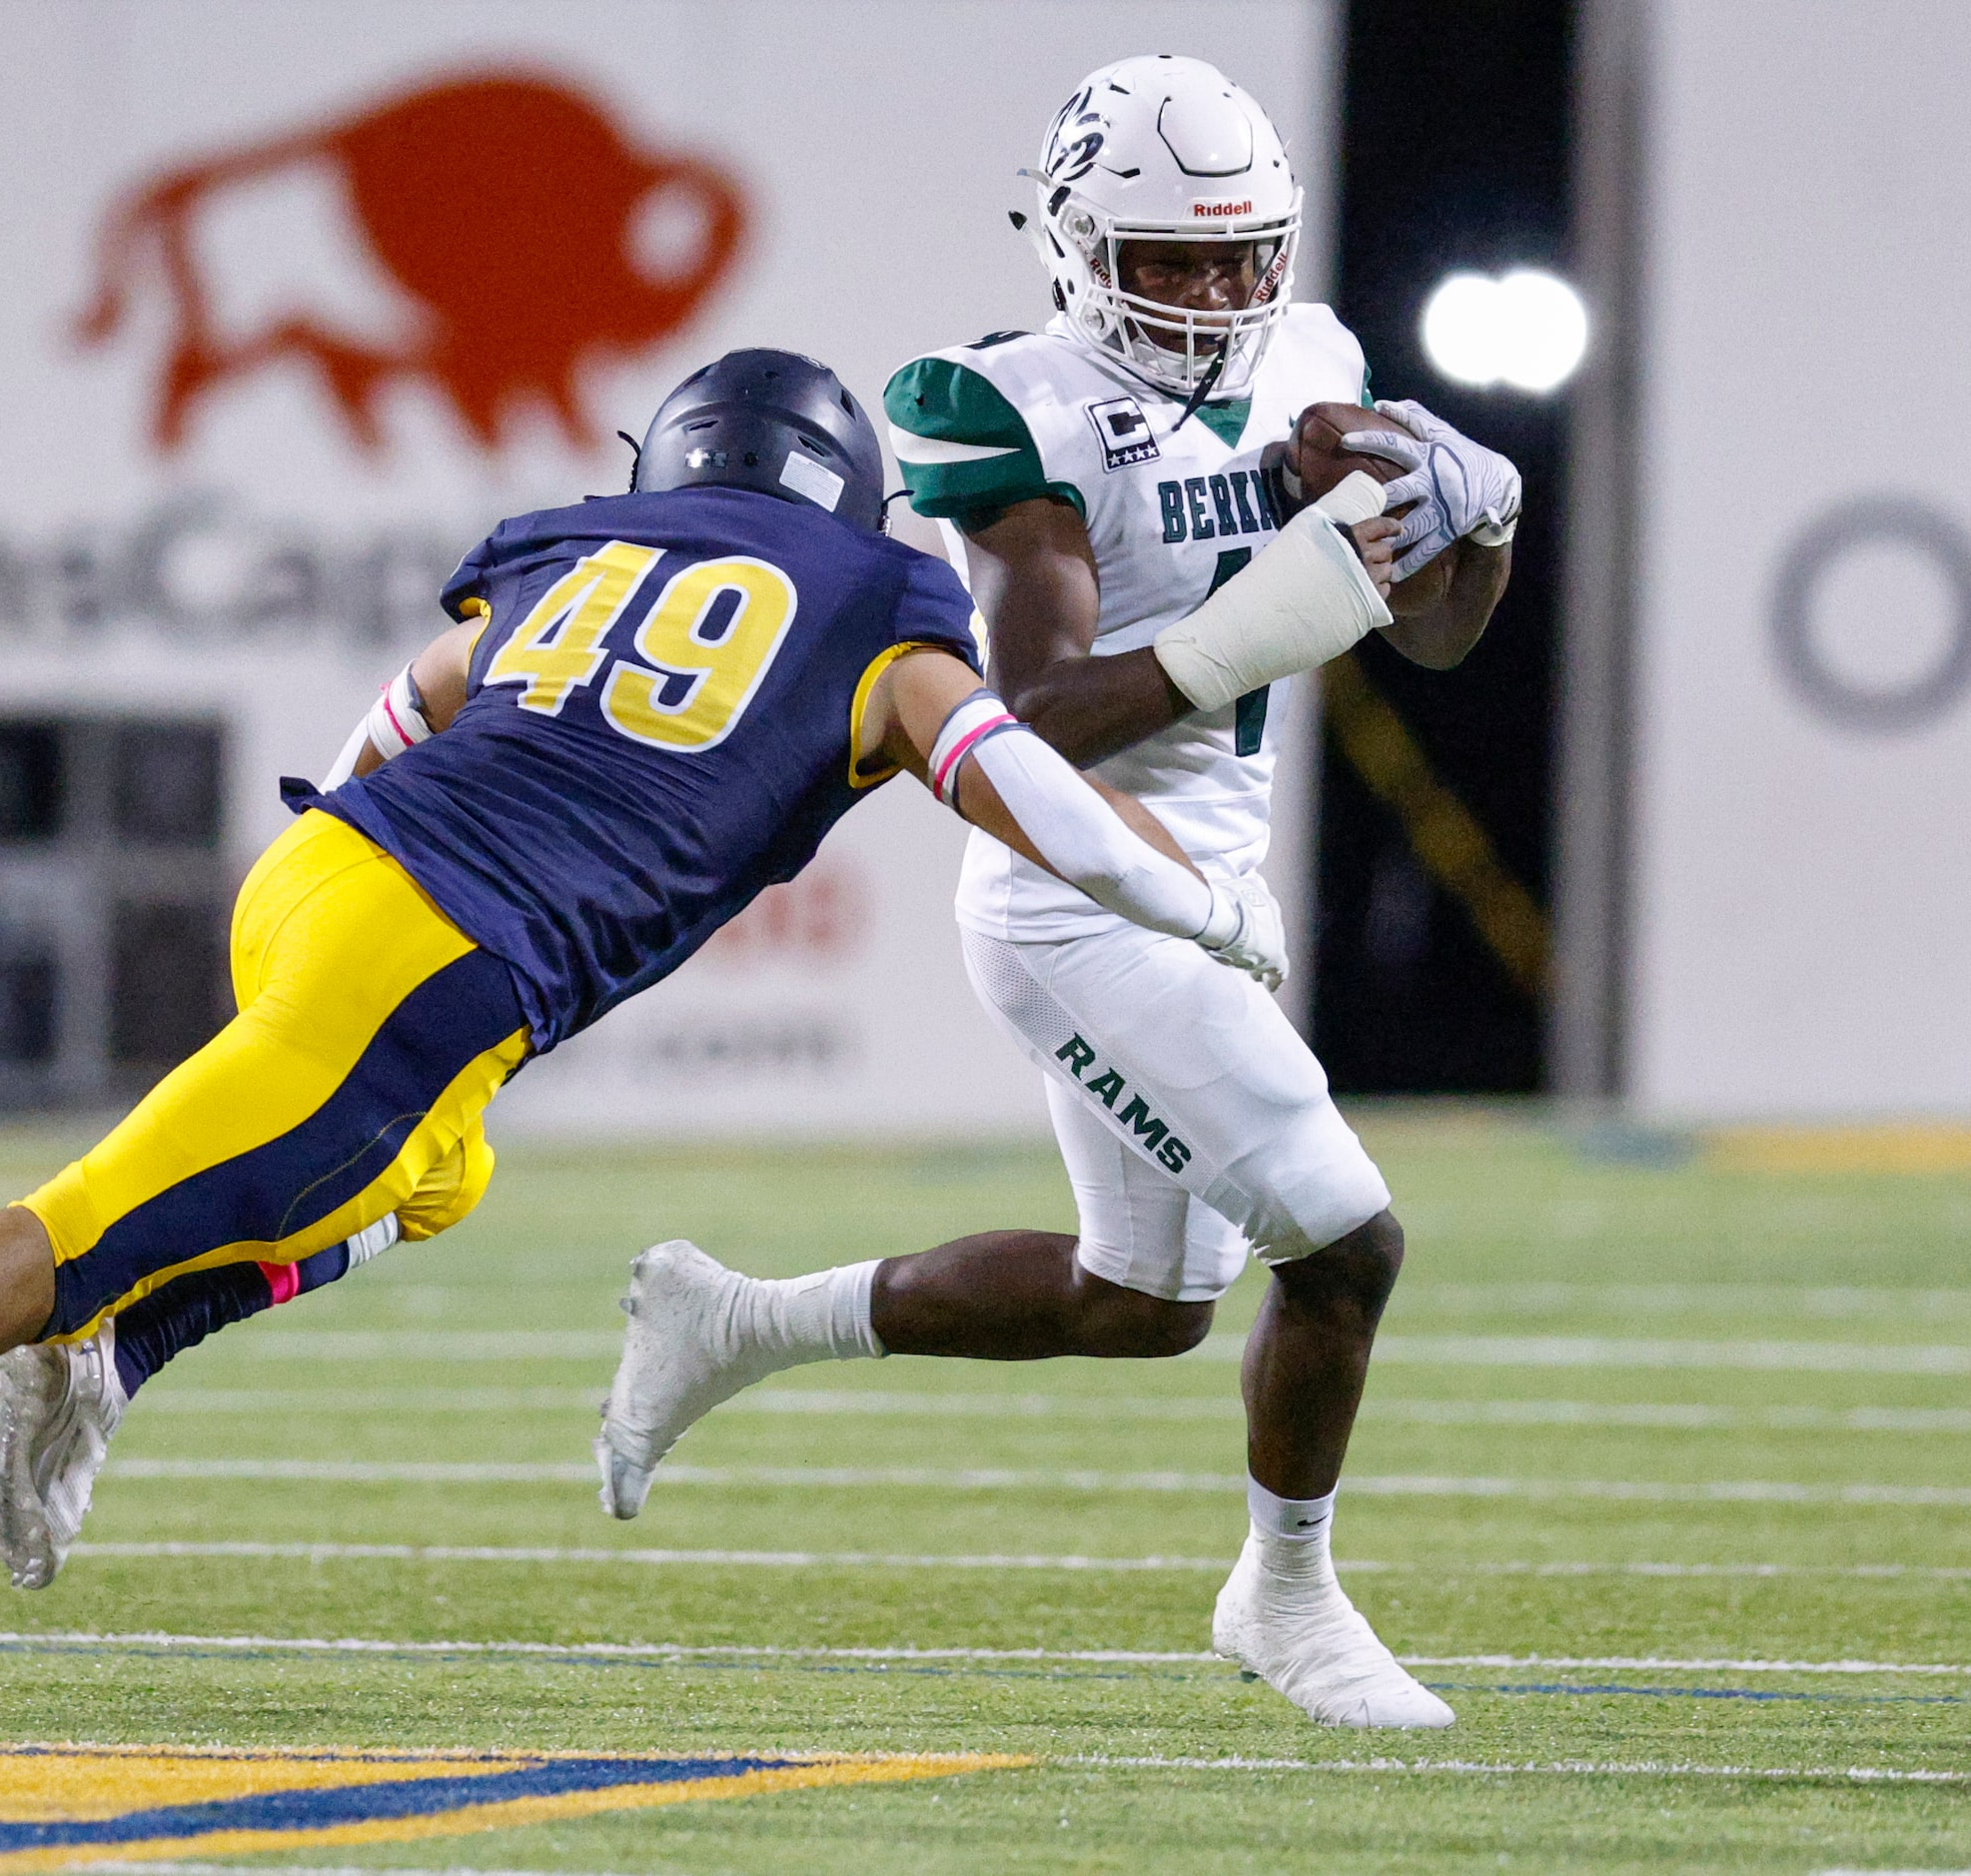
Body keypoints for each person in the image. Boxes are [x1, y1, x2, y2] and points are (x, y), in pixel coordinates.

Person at [0, 346, 1396, 1723]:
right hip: (433, 959)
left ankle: (114, 1353)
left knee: (441, 1171)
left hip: (339, 882)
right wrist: (1217, 906)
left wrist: (341, 865)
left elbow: (411, 699)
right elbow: (1026, 786)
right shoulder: (880, 607)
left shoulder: (575, 546)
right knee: (71, 1234)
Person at [593, 56, 1524, 1731]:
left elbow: (1432, 628)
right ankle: (1287, 1593)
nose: (1221, 296)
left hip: (1215, 887)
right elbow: (1023, 716)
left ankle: (734, 1320)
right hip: (1072, 889)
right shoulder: (1010, 402)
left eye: (1246, 257)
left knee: (1146, 1303)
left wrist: (1485, 522)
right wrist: (1270, 614)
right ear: (1085, 248)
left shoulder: (1311, 359)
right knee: (1347, 1239)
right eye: (1175, 261)